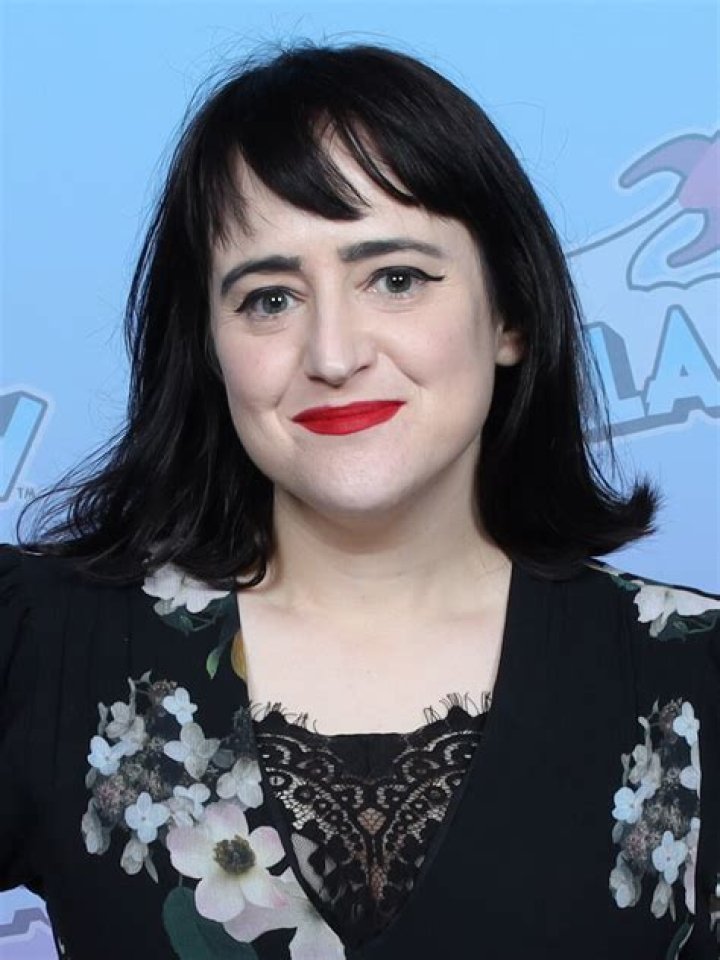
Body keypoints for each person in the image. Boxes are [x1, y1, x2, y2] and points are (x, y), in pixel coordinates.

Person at [1, 39, 718, 960]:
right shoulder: (40, 649)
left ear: (510, 314)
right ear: (209, 344)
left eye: (396, 279)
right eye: (269, 299)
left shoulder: (691, 675)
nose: (333, 355)